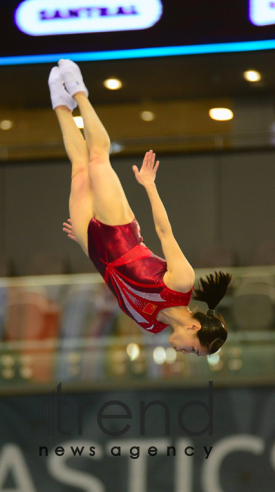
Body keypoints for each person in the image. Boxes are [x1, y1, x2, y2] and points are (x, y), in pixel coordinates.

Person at [48, 59, 232, 357]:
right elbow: (164, 231)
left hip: (96, 249)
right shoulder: (181, 283)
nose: (187, 353)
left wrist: (86, 243)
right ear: (194, 329)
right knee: (97, 159)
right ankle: (79, 92)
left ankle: (60, 103)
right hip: (121, 233)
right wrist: (149, 185)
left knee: (79, 170)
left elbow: (116, 285)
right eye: (195, 351)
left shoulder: (151, 326)